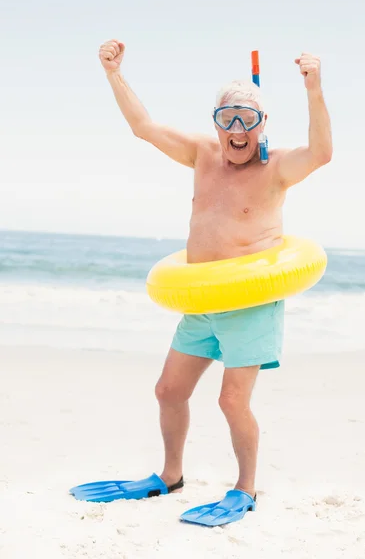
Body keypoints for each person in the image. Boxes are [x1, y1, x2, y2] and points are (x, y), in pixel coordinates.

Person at [75, 40, 332, 523]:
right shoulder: (201, 154)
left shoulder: (275, 168)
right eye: (228, 118)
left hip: (251, 303)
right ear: (215, 122)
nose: (238, 130)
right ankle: (170, 476)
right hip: (201, 300)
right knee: (168, 391)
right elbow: (143, 127)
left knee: (232, 400)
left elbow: (322, 152)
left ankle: (246, 488)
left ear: (262, 127)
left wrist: (313, 89)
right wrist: (114, 74)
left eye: (248, 120)